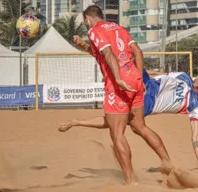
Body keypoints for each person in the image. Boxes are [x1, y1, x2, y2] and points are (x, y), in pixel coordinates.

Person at [74, 5, 173, 185]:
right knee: (140, 127)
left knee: (117, 134)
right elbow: (137, 52)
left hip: (118, 85)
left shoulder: (95, 30)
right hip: (135, 79)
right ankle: (168, 163)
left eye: (85, 21)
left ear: (88, 18)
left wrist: (118, 79)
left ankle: (130, 181)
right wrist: (141, 79)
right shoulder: (117, 27)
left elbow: (109, 53)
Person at [58, 69, 198, 176]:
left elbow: (196, 137)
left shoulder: (195, 105)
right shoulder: (185, 76)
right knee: (128, 57)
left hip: (147, 103)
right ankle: (95, 50)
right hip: (147, 83)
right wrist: (141, 72)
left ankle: (76, 122)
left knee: (116, 121)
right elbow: (160, 74)